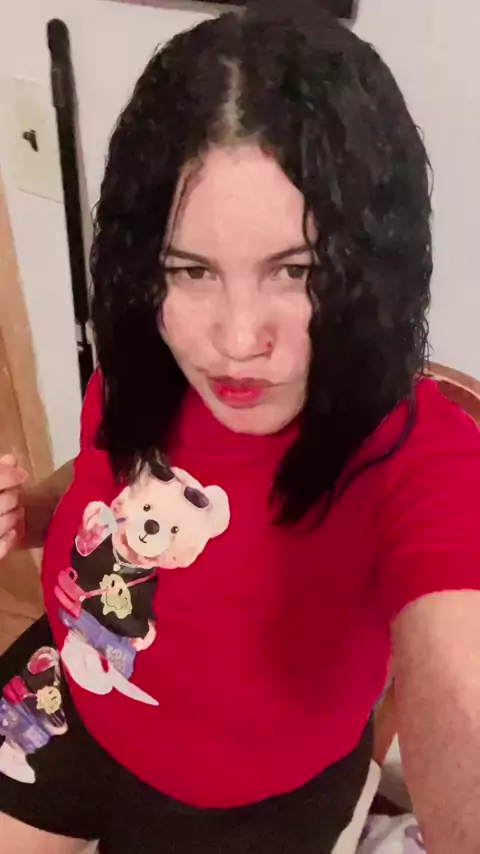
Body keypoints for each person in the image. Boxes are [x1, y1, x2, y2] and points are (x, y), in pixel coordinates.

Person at [0, 3, 479, 852]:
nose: (235, 341)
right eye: (191, 270)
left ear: (371, 266)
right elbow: (104, 477)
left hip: (244, 804)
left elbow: (460, 671)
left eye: (296, 271)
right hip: (69, 693)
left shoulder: (421, 458)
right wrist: (26, 514)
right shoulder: (149, 357)